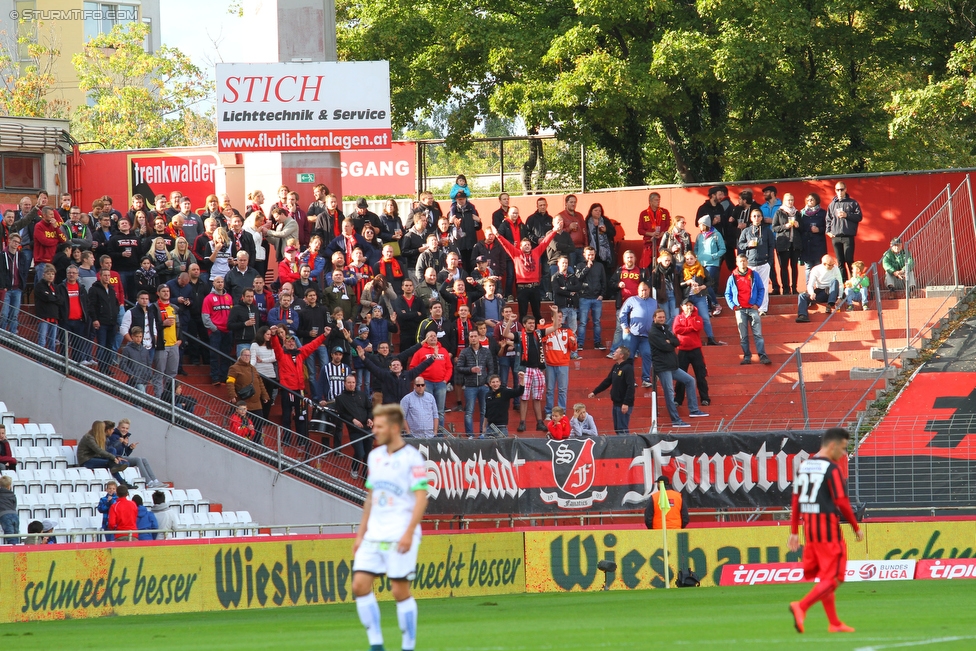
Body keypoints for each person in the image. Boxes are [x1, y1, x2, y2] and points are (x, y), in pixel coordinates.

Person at [352, 404, 428, 651]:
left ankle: (408, 645)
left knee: (399, 591)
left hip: (400, 532)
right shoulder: (375, 456)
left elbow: (420, 498)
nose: (375, 429)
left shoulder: (412, 458)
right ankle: (376, 645)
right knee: (360, 585)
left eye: (380, 426)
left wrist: (408, 533)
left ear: (394, 428)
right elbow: (371, 497)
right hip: (374, 533)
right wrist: (360, 534)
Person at [788, 427, 864, 635]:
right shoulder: (832, 469)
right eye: (843, 448)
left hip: (809, 529)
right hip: (828, 530)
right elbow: (842, 502)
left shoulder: (804, 467)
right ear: (832, 445)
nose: (843, 453)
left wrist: (794, 531)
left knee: (825, 577)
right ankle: (801, 606)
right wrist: (855, 526)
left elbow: (796, 500)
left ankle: (834, 622)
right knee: (836, 577)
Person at [649, 309, 709, 428]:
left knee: (690, 380)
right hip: (663, 367)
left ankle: (693, 410)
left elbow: (676, 342)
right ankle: (675, 420)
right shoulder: (653, 332)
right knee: (669, 393)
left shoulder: (665, 329)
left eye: (663, 317)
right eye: (659, 317)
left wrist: (670, 342)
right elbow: (666, 347)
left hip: (672, 366)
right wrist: (671, 343)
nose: (661, 319)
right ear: (654, 318)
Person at [269, 326, 327, 447]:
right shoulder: (281, 354)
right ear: (284, 343)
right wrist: (274, 336)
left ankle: (303, 440)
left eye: (292, 341)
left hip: (300, 390)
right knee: (286, 416)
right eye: (288, 341)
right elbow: (275, 347)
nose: (291, 343)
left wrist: (324, 336)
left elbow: (312, 345)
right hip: (287, 390)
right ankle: (287, 439)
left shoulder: (300, 353)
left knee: (302, 416)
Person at [491, 218, 559, 321]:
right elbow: (506, 244)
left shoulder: (536, 252)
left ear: (531, 246)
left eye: (528, 245)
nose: (527, 246)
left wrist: (554, 231)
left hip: (535, 287)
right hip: (522, 288)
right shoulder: (516, 254)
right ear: (520, 247)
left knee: (537, 314)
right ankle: (522, 335)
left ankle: (537, 334)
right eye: (524, 245)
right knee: (523, 313)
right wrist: (497, 235)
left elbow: (545, 242)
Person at [725, 254, 771, 365]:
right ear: (737, 263)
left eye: (744, 261)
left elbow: (761, 289)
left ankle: (763, 356)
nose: (742, 263)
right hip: (740, 310)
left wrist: (758, 304)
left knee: (758, 334)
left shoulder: (754, 275)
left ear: (747, 261)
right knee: (743, 336)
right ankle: (747, 356)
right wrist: (733, 306)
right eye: (740, 261)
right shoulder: (732, 277)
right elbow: (727, 293)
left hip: (752, 308)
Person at [409, 330, 454, 431]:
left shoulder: (444, 351)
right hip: (426, 384)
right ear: (426, 339)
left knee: (440, 411)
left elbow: (449, 367)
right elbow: (413, 367)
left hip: (441, 384)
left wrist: (445, 380)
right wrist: (421, 380)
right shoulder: (420, 351)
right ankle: (427, 431)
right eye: (430, 336)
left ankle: (440, 433)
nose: (433, 338)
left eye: (434, 336)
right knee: (426, 409)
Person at [672, 300, 711, 408]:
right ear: (682, 307)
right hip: (682, 350)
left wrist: (688, 320)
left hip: (695, 350)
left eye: (690, 305)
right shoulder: (678, 318)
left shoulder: (697, 317)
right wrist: (689, 328)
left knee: (700, 375)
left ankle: (705, 398)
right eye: (686, 305)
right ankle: (678, 399)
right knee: (680, 376)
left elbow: (697, 327)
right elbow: (676, 329)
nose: (689, 307)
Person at [589, 347, 635, 436]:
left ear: (621, 355)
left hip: (623, 404)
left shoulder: (628, 368)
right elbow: (608, 381)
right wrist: (595, 392)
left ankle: (627, 447)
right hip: (616, 403)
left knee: (623, 429)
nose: (613, 353)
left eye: (616, 352)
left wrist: (626, 403)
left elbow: (631, 387)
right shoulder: (616, 366)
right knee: (617, 428)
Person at [457, 330, 496, 436]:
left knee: (484, 411)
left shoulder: (486, 351)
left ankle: (483, 433)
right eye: (471, 336)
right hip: (470, 386)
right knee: (469, 412)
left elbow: (491, 367)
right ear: (469, 338)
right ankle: (470, 435)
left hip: (483, 385)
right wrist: (470, 370)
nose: (473, 338)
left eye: (475, 336)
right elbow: (459, 367)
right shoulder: (464, 352)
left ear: (479, 337)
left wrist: (488, 382)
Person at [227, 348, 270, 442]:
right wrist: (232, 395)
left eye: (249, 355)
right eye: (245, 355)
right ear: (241, 356)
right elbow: (230, 382)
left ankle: (256, 444)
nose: (247, 357)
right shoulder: (234, 368)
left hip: (257, 403)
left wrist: (265, 395)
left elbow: (260, 383)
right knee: (245, 425)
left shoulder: (253, 368)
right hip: (244, 403)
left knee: (258, 424)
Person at [619, 282, 657, 388]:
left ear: (649, 290)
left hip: (646, 336)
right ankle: (630, 379)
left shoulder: (653, 302)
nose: (644, 292)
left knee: (647, 354)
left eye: (645, 290)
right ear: (638, 290)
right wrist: (624, 326)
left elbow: (656, 317)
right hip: (632, 334)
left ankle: (646, 379)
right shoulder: (631, 300)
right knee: (629, 356)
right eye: (642, 290)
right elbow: (622, 314)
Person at [738, 209, 776, 314]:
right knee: (750, 286)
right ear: (750, 218)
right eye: (754, 216)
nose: (756, 218)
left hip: (764, 263)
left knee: (763, 286)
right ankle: (750, 307)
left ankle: (763, 309)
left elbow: (771, 246)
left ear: (762, 217)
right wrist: (748, 245)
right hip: (750, 263)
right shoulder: (746, 231)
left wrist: (770, 262)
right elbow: (740, 245)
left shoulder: (767, 231)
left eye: (758, 216)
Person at [335, 375, 373, 478]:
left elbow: (369, 408)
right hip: (354, 430)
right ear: (344, 383)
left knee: (368, 454)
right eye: (349, 382)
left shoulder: (362, 395)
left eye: (353, 382)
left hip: (367, 429)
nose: (351, 385)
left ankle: (365, 475)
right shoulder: (340, 398)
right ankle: (354, 468)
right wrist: (353, 420)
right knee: (360, 453)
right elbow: (342, 414)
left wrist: (370, 418)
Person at [107, 419, 164, 488]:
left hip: (122, 457)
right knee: (138, 459)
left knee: (144, 459)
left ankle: (155, 480)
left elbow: (125, 454)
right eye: (123, 428)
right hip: (117, 458)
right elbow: (112, 450)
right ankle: (149, 482)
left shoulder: (124, 437)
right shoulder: (114, 436)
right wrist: (120, 442)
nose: (125, 430)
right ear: (118, 427)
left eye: (127, 428)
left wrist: (130, 448)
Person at [543, 306, 577, 418]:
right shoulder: (547, 329)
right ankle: (549, 412)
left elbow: (573, 349)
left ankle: (561, 413)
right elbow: (538, 338)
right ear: (552, 318)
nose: (559, 319)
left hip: (563, 364)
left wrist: (573, 342)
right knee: (549, 390)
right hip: (550, 364)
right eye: (557, 317)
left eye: (561, 317)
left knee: (562, 390)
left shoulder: (568, 331)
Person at [826, 182, 863, 282]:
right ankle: (844, 284)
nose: (840, 192)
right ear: (835, 190)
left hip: (848, 236)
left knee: (849, 260)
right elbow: (828, 219)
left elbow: (859, 217)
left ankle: (854, 282)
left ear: (845, 189)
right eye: (837, 190)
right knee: (840, 262)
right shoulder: (832, 204)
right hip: (836, 236)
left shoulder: (852, 203)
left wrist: (847, 215)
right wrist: (828, 231)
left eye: (841, 189)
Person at [202, 275, 234, 385]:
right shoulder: (208, 298)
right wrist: (214, 329)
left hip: (227, 331)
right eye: (218, 282)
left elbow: (231, 315)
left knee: (226, 355)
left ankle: (223, 377)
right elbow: (205, 317)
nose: (220, 283)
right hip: (215, 332)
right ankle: (215, 377)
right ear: (213, 284)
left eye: (222, 282)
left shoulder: (229, 298)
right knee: (214, 355)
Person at [77, 420, 129, 487]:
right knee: (111, 463)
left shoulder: (97, 437)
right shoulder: (89, 437)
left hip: (94, 457)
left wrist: (116, 457)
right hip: (86, 460)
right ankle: (123, 482)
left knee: (112, 461)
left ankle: (122, 480)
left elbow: (104, 450)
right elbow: (99, 450)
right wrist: (113, 458)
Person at [694, 215, 726, 315]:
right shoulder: (699, 236)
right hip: (700, 264)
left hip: (712, 263)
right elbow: (696, 249)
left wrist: (714, 256)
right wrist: (696, 257)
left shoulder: (716, 235)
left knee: (706, 285)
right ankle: (708, 308)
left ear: (705, 225)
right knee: (702, 285)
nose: (699, 226)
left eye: (700, 224)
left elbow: (723, 249)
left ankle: (716, 304)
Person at [772, 193, 804, 295]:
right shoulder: (779, 212)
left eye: (792, 200)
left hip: (795, 244)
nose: (790, 202)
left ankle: (794, 288)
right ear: (784, 201)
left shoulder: (797, 213)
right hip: (783, 244)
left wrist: (798, 225)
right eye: (788, 200)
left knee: (794, 266)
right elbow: (774, 228)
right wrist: (785, 226)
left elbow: (803, 229)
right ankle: (785, 288)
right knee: (784, 267)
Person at [797, 255, 843, 323]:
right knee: (802, 295)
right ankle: (803, 316)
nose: (833, 266)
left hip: (832, 291)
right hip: (821, 291)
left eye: (833, 264)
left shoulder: (835, 268)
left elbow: (840, 283)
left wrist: (840, 297)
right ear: (824, 264)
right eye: (830, 265)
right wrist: (812, 293)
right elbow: (810, 284)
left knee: (835, 281)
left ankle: (830, 304)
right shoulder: (816, 269)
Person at [576, 246, 606, 350]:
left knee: (597, 322)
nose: (590, 256)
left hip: (597, 298)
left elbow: (603, 281)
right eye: (588, 254)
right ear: (584, 254)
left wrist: (602, 294)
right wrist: (587, 267)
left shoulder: (600, 266)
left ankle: (597, 343)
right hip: (584, 297)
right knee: (583, 322)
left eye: (592, 254)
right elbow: (578, 278)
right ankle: (580, 344)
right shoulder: (580, 265)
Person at [0, 233, 30, 335]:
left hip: (17, 289)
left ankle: (13, 335)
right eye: (14, 241)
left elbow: (24, 271)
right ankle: (3, 335)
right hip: (6, 289)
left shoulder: (21, 256)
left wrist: (22, 285)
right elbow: (1, 272)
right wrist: (3, 286)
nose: (16, 244)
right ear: (9, 241)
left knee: (14, 314)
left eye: (18, 242)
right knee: (4, 314)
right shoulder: (2, 255)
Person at [484, 372, 525, 438]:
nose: (495, 384)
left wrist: (522, 379)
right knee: (488, 448)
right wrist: (484, 427)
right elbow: (487, 412)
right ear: (490, 384)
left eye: (497, 382)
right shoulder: (488, 395)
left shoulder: (505, 392)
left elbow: (519, 392)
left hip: (501, 427)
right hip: (490, 427)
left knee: (502, 447)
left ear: (500, 383)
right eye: (493, 382)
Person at [638, 192, 670, 268]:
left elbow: (668, 226)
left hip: (662, 243)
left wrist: (662, 233)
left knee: (662, 265)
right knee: (647, 266)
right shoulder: (644, 213)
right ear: (650, 201)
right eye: (656, 200)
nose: (658, 202)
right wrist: (651, 234)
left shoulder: (665, 212)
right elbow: (640, 230)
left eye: (659, 200)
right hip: (649, 244)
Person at [0, 475, 19, 544]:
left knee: (10, 536)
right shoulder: (12, 495)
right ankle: (17, 549)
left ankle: (13, 550)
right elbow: (14, 505)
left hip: (4, 516)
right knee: (16, 535)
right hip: (15, 515)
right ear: (9, 486)